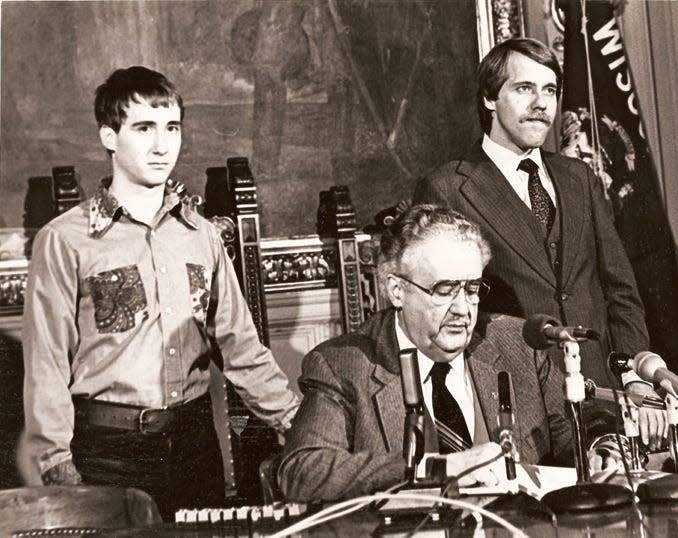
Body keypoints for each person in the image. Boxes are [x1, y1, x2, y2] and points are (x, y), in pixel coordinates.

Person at [22, 66, 299, 518]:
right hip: (107, 453)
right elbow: (46, 365)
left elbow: (241, 347)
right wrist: (56, 464)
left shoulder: (201, 235)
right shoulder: (65, 240)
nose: (162, 144)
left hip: (194, 447)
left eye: (172, 127)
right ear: (109, 137)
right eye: (144, 128)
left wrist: (293, 422)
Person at [278, 204, 576, 503]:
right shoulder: (344, 365)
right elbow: (302, 472)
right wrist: (437, 468)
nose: (462, 309)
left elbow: (578, 434)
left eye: (471, 289)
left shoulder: (516, 344)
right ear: (396, 290)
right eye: (444, 290)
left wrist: (603, 449)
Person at [412, 37, 651, 395]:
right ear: (489, 98)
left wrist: (631, 373)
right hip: (515, 397)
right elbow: (441, 312)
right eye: (525, 88)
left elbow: (620, 290)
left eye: (550, 90)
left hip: (604, 392)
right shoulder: (446, 188)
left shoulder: (579, 177)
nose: (541, 104)